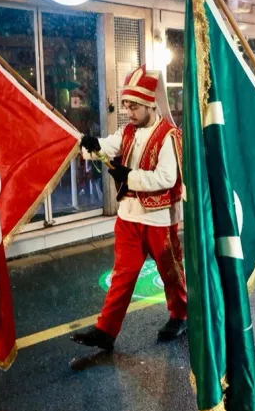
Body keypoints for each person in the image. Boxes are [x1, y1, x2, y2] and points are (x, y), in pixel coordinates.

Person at [71, 65, 187, 351]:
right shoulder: (127, 131)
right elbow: (106, 147)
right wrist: (89, 144)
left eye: (134, 106)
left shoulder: (169, 135)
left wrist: (128, 177)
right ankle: (106, 331)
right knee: (122, 275)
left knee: (170, 273)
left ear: (150, 104)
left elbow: (167, 177)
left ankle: (181, 314)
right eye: (126, 106)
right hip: (128, 218)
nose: (129, 112)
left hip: (160, 218)